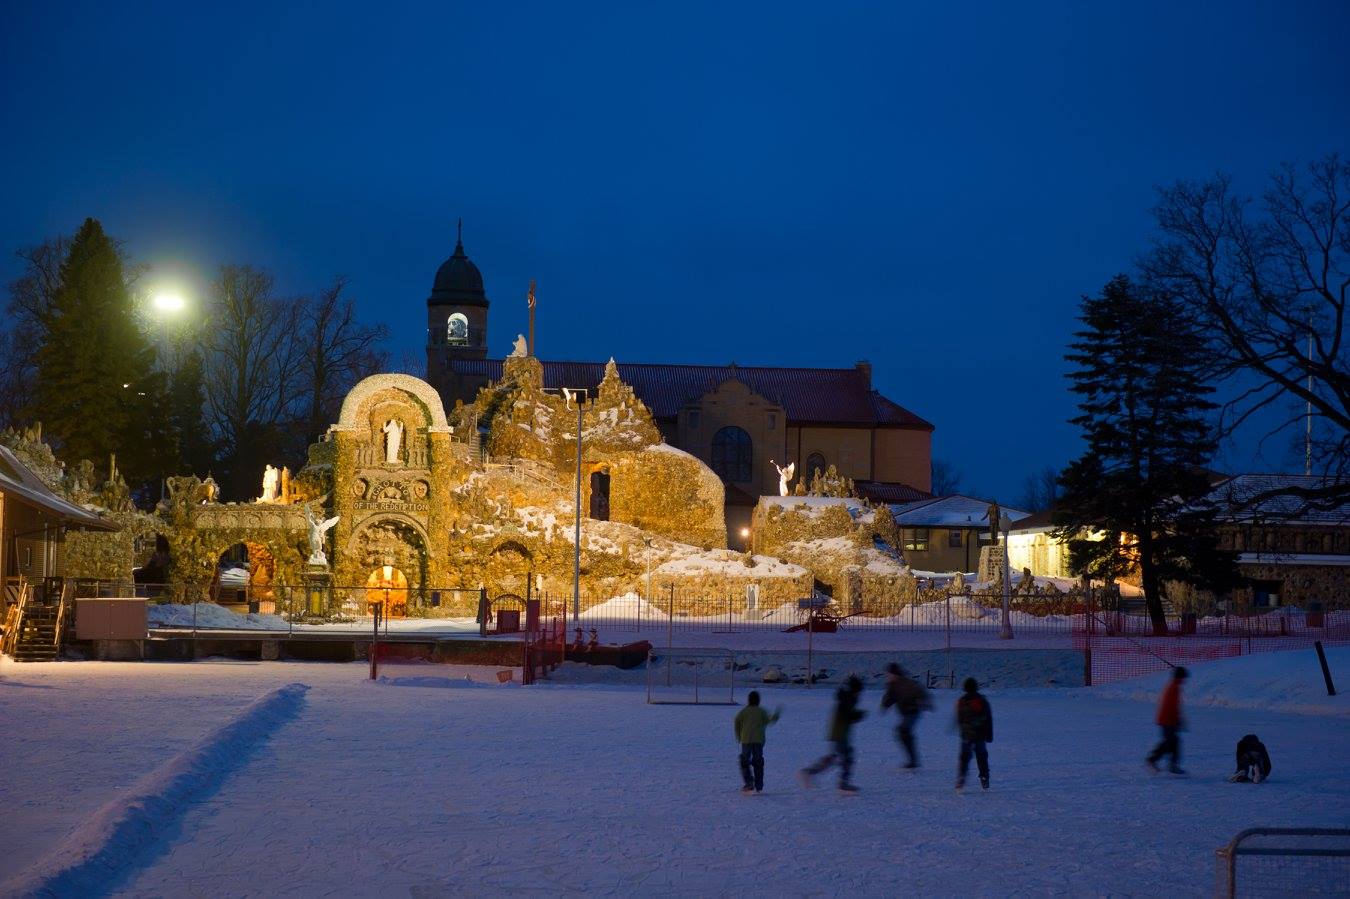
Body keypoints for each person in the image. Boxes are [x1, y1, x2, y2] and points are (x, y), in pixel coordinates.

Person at [799, 675, 867, 793]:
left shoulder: (847, 698)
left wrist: (856, 714)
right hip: (840, 734)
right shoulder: (847, 699)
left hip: (839, 733)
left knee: (835, 757)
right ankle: (841, 783)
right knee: (846, 757)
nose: (860, 694)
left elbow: (847, 714)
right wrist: (858, 715)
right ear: (856, 690)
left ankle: (810, 773)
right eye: (859, 691)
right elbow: (847, 715)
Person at [880, 663, 933, 768]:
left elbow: (919, 691)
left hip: (913, 711)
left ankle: (913, 760)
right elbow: (890, 698)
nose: (887, 676)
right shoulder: (892, 685)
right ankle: (913, 759)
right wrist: (885, 705)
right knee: (903, 733)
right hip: (905, 712)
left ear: (894, 674)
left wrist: (926, 703)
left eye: (889, 674)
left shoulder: (906, 683)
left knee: (903, 731)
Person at [733, 691, 782, 794]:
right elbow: (770, 720)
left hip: (746, 740)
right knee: (758, 762)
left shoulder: (744, 711)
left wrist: (738, 736)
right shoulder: (761, 711)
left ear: (749, 700)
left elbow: (736, 721)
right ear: (758, 701)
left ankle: (749, 783)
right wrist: (777, 714)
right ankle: (759, 785)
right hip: (759, 741)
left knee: (744, 762)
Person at [1146, 666, 1188, 775]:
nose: (1185, 680)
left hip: (1166, 719)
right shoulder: (1174, 687)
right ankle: (1153, 760)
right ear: (1180, 677)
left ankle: (1169, 764)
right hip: (1167, 720)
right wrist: (1177, 720)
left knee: (1172, 741)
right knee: (1171, 742)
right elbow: (1171, 706)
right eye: (1184, 678)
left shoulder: (1173, 686)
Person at [955, 677, 993, 791]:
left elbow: (959, 718)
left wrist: (962, 730)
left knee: (964, 757)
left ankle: (961, 779)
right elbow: (988, 719)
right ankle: (984, 778)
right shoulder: (982, 700)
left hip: (967, 734)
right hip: (980, 734)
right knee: (982, 756)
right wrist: (989, 735)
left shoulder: (961, 701)